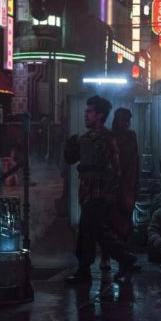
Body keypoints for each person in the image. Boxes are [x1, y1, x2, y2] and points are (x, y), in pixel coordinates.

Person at [64, 95, 140, 284]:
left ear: (100, 115)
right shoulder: (86, 139)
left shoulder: (107, 139)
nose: (86, 115)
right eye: (86, 111)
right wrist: (69, 147)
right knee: (94, 231)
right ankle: (124, 259)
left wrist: (110, 196)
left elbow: (115, 170)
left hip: (100, 195)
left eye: (89, 112)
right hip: (88, 193)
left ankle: (92, 267)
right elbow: (71, 159)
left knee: (93, 231)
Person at [103, 108, 139, 271]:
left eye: (127, 120)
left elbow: (135, 161)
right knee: (110, 222)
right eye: (124, 120)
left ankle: (124, 258)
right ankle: (108, 257)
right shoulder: (110, 138)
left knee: (125, 222)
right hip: (114, 185)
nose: (126, 123)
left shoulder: (131, 137)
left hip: (127, 185)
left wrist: (136, 183)